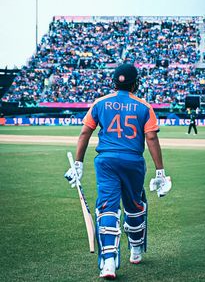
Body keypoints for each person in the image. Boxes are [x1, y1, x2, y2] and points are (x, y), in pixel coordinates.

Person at [65, 63, 171, 280]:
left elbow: (85, 133)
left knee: (107, 208)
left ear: (114, 82)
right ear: (135, 83)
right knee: (134, 206)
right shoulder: (144, 106)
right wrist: (160, 171)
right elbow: (151, 137)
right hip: (133, 161)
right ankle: (135, 250)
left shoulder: (100, 103)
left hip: (106, 161)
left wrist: (78, 164)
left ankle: (109, 263)